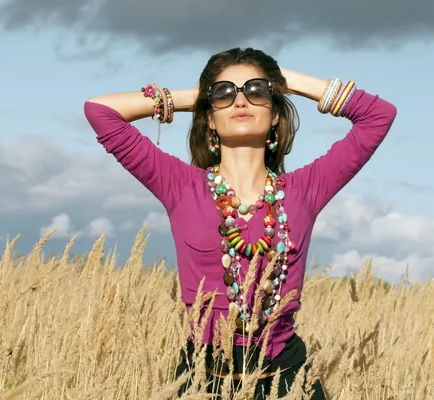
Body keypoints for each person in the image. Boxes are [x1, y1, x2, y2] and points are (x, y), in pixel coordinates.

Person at [84, 47, 397, 399]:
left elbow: (378, 115)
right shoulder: (180, 186)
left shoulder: (304, 191)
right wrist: (196, 96)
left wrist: (287, 80)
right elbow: (101, 111)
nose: (240, 100)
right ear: (209, 119)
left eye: (256, 91)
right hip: (204, 379)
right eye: (225, 93)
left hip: (286, 380)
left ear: (275, 113)